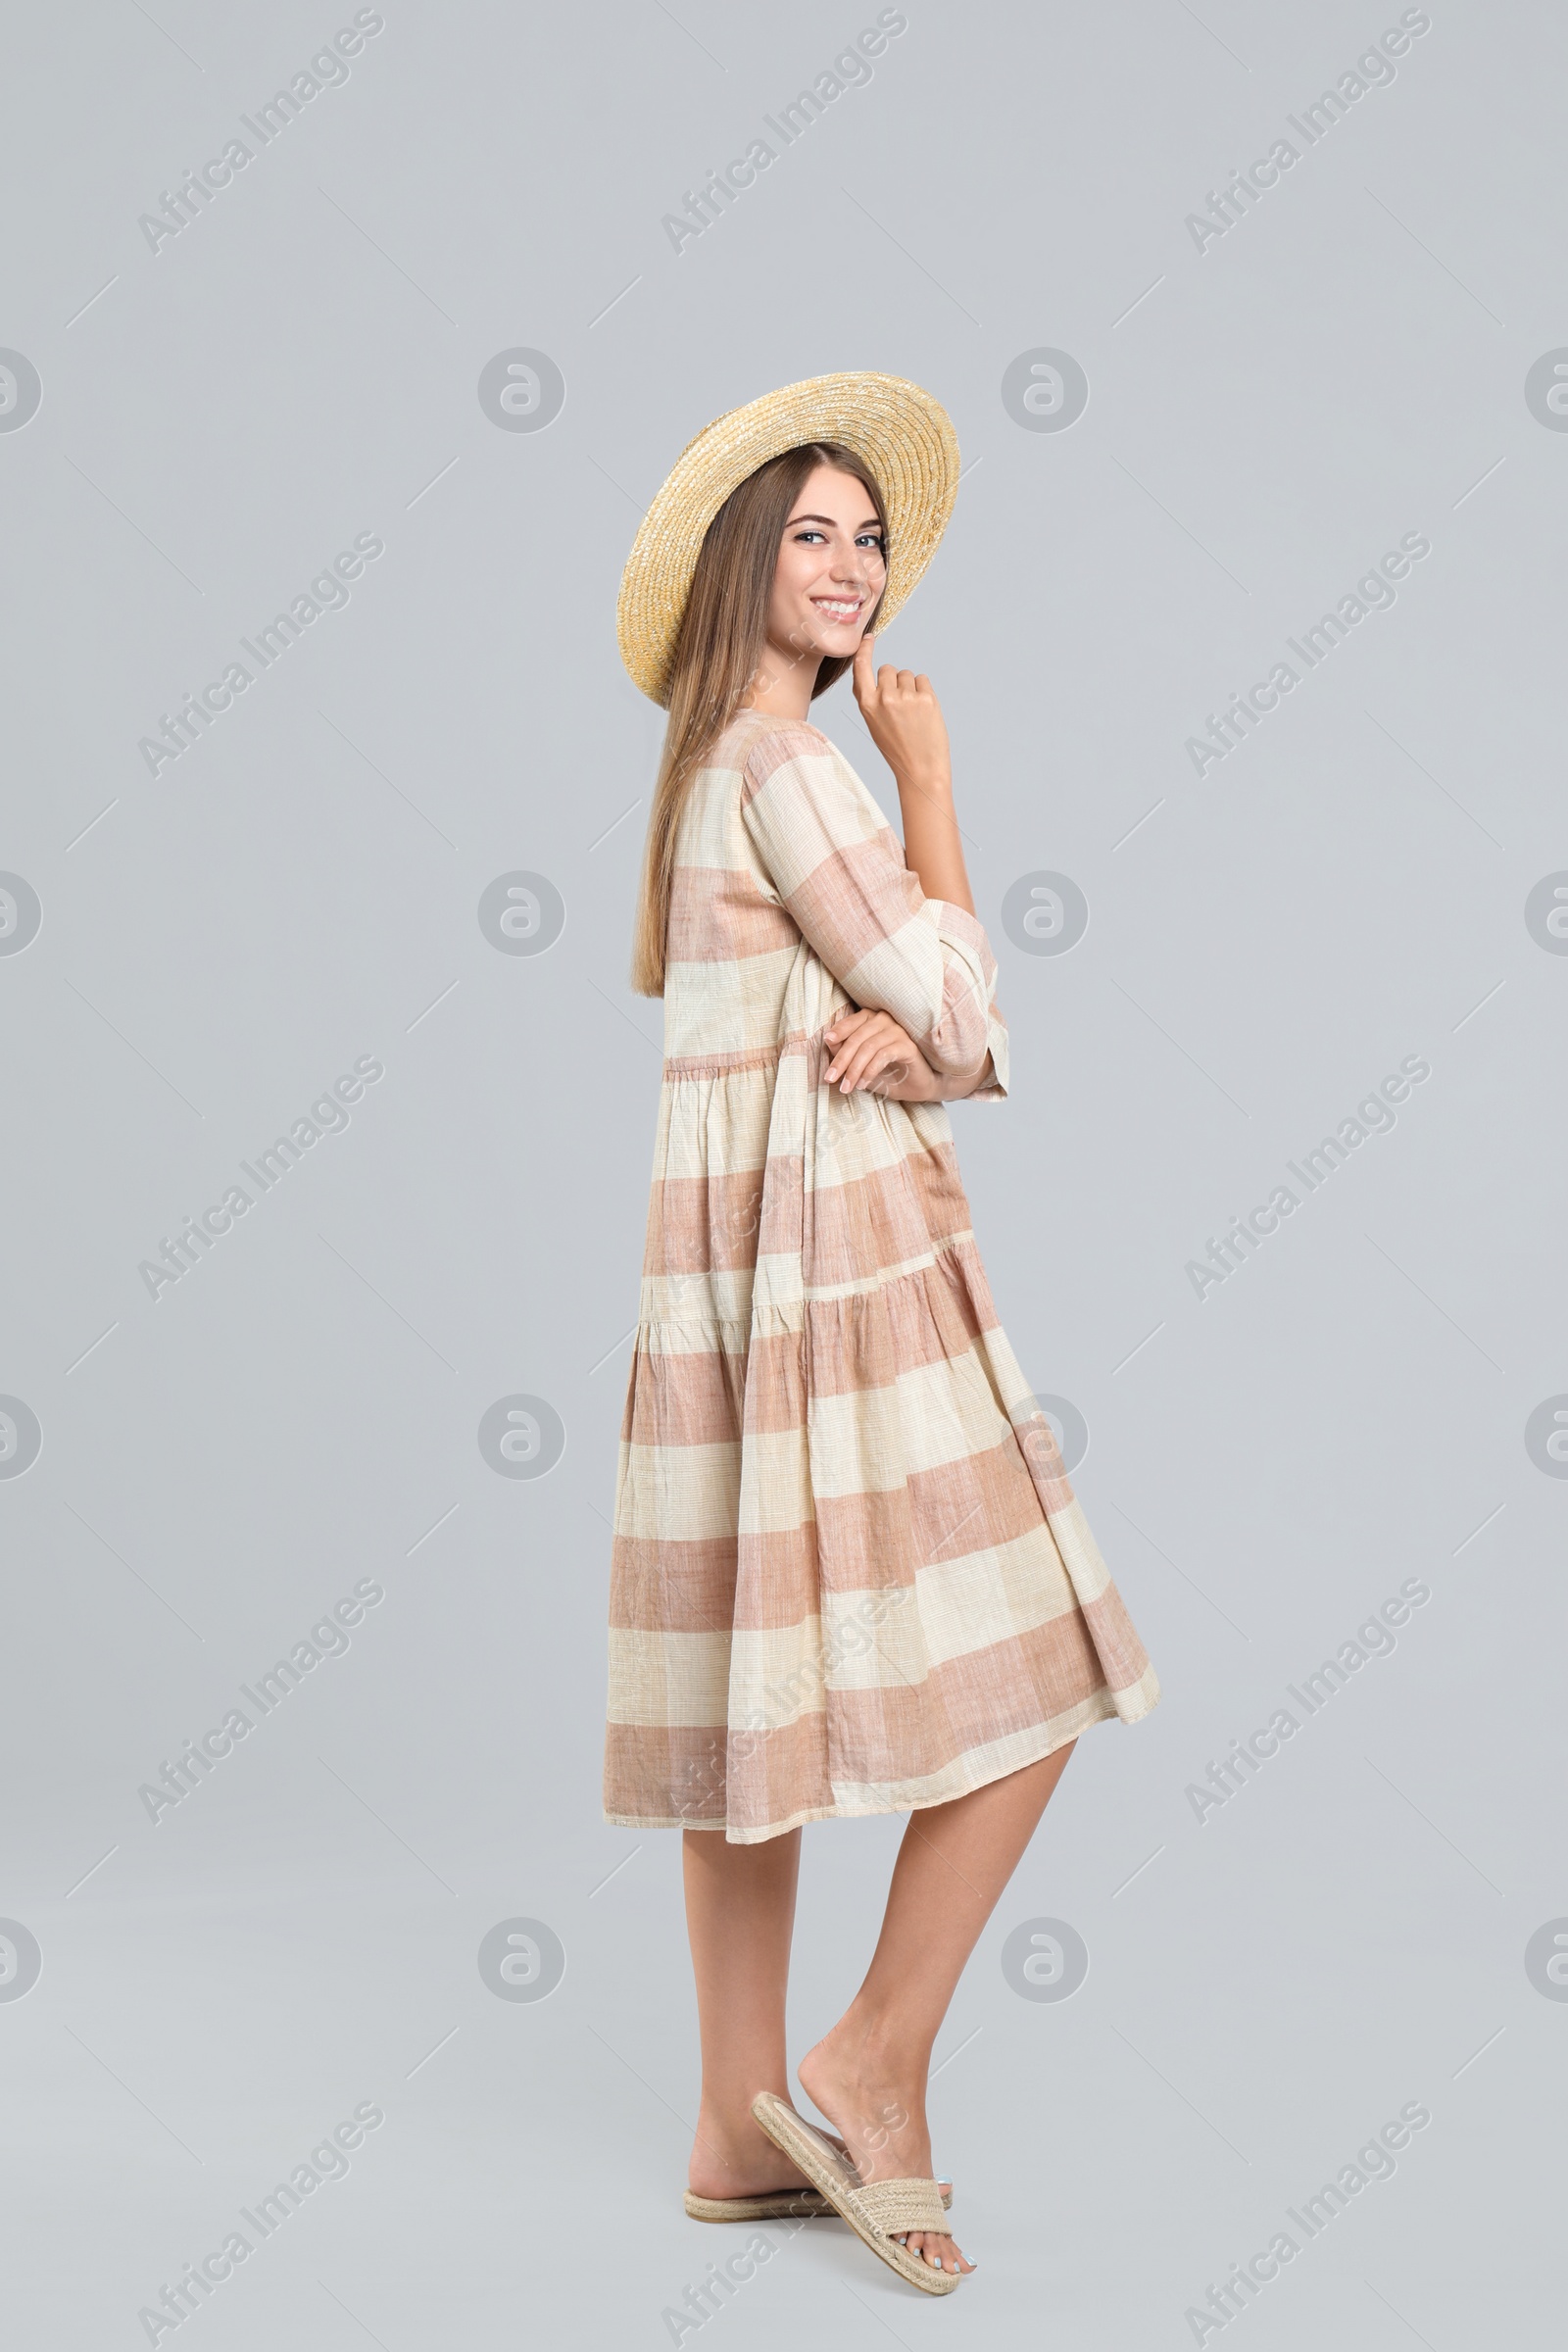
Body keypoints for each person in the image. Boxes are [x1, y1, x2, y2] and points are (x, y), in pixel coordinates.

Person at [605, 374, 1160, 2294]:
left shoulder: (704, 775)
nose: (848, 569)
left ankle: (728, 2122)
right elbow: (949, 1002)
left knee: (742, 1713)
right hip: (842, 1281)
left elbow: (895, 1021)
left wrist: (901, 1026)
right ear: (745, 562)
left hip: (737, 1299)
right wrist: (930, 794)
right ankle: (872, 2064)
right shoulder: (789, 765)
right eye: (812, 533)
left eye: (868, 539)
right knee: (1044, 1658)